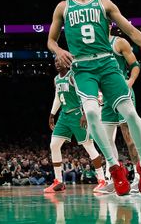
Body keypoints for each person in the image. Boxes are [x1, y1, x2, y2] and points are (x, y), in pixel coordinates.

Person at [47, 0, 141, 196]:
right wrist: (59, 50)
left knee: (129, 114)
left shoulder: (104, 4)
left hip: (107, 63)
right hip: (82, 67)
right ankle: (114, 166)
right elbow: (51, 40)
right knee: (91, 114)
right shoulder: (63, 7)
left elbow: (130, 30)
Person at [43, 61, 108, 194]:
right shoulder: (56, 79)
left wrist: (85, 112)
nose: (57, 63)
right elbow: (58, 97)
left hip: (77, 114)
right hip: (64, 115)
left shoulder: (74, 76)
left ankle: (102, 180)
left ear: (67, 62)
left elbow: (84, 94)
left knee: (88, 146)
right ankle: (59, 181)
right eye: (55, 61)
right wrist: (51, 114)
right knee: (54, 145)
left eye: (59, 61)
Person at [99, 34, 141, 193]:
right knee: (106, 140)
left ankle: (139, 176)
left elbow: (135, 65)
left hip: (121, 92)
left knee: (129, 137)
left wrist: (129, 82)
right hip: (105, 96)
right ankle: (116, 177)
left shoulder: (118, 42)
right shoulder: (95, 45)